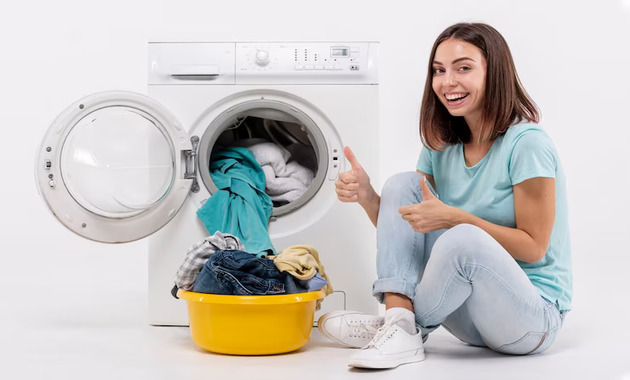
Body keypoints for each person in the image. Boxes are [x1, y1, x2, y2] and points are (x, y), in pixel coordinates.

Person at [317, 22, 572, 369]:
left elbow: (534, 246)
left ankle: (400, 325)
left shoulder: (527, 143)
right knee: (400, 184)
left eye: (463, 68)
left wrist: (458, 218)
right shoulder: (441, 144)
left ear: (494, 73)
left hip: (530, 320)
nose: (447, 82)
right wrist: (368, 198)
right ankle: (400, 322)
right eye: (439, 70)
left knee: (463, 238)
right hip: (466, 318)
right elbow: (410, 232)